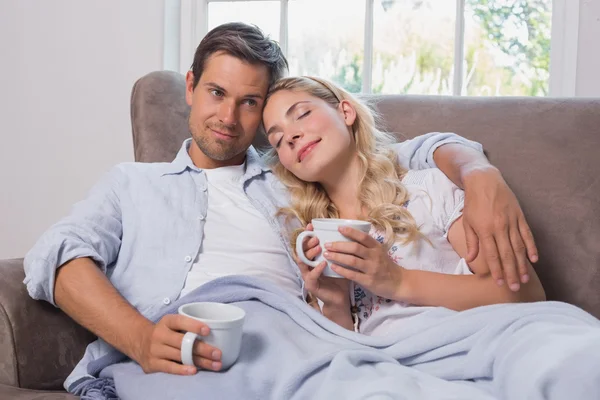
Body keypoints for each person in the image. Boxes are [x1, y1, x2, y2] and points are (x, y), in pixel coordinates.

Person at [24, 23, 535, 392]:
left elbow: (389, 156)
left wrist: (477, 171)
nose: (228, 116)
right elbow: (57, 255)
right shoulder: (131, 184)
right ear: (190, 87)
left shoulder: (291, 170)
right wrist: (139, 339)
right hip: (181, 336)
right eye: (216, 92)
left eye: (249, 102)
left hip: (292, 334)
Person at [262, 76, 546, 333]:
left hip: (473, 344)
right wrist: (335, 304)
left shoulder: (428, 190)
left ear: (346, 112)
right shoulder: (313, 243)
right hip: (385, 372)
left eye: (302, 114)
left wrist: (399, 281)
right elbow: (347, 352)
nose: (291, 136)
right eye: (277, 140)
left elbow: (526, 294)